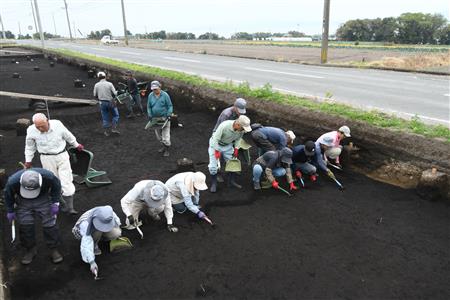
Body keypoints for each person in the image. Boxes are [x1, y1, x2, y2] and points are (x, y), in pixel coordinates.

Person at [24, 113, 83, 214]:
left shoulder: (57, 125)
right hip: (46, 158)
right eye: (37, 127)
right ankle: (62, 204)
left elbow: (68, 135)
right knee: (53, 181)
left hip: (62, 156)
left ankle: (70, 207)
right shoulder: (31, 130)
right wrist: (28, 160)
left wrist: (76, 144)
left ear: (47, 120)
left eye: (42, 126)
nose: (40, 129)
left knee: (66, 180)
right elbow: (29, 146)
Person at [4, 168, 63, 265]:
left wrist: (55, 202)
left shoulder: (49, 177)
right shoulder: (12, 181)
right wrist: (10, 210)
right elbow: (8, 195)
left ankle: (53, 249)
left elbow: (56, 187)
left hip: (42, 198)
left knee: (50, 224)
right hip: (23, 201)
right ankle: (30, 249)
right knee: (25, 225)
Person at [72, 205, 122, 276]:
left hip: (95, 230)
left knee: (117, 233)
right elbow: (85, 244)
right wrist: (92, 262)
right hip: (82, 233)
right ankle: (94, 246)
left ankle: (100, 237)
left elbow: (116, 220)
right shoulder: (85, 224)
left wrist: (118, 226)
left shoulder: (107, 212)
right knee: (97, 231)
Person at [208, 115, 252, 193]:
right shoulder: (224, 125)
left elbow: (238, 139)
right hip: (215, 145)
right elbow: (215, 139)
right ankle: (214, 183)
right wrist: (217, 151)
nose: (244, 130)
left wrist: (236, 149)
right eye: (243, 128)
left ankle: (231, 181)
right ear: (238, 124)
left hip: (228, 146)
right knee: (213, 166)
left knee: (233, 163)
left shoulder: (241, 130)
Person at [147, 80, 173, 157]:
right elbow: (149, 106)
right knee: (158, 136)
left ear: (159, 87)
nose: (154, 91)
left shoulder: (165, 95)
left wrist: (169, 114)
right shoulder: (150, 95)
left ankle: (167, 149)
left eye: (156, 89)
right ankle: (163, 146)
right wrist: (150, 114)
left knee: (165, 136)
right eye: (153, 89)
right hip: (155, 119)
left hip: (165, 118)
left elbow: (170, 106)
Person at [93, 71, 119, 136]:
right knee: (116, 115)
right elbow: (115, 93)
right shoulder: (110, 84)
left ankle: (106, 132)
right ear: (105, 77)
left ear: (98, 78)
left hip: (102, 102)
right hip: (111, 101)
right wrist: (117, 91)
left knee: (105, 117)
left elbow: (94, 95)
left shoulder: (96, 85)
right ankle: (113, 128)